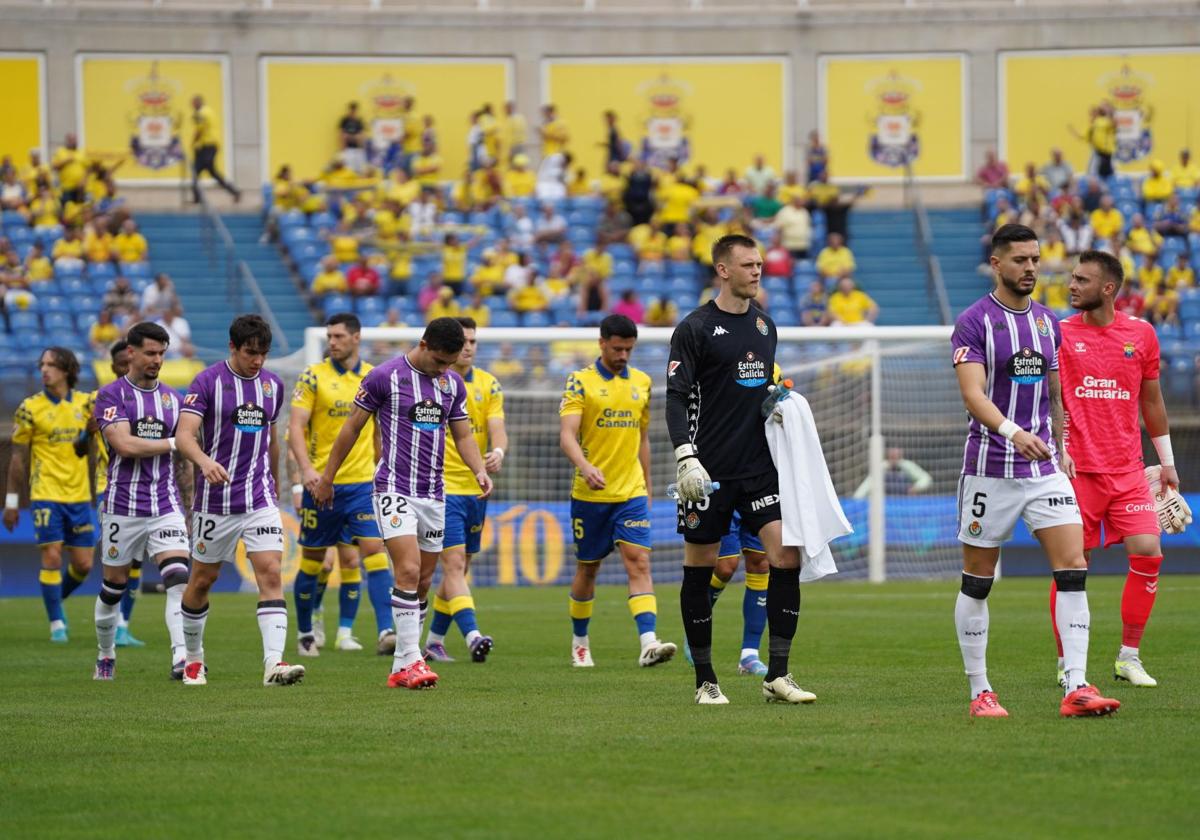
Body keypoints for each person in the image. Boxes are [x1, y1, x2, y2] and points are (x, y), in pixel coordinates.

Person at [950, 223, 1119, 718]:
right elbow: (972, 394)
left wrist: (1061, 446)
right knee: (978, 581)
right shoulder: (973, 322)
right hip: (990, 468)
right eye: (1020, 260)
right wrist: (1012, 432)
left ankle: (1078, 686)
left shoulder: (1049, 323)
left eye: (1035, 259)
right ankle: (980, 691)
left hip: (1044, 470)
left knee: (1073, 571)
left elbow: (1054, 393)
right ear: (997, 264)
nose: (1030, 268)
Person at [666, 234, 814, 706]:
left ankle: (779, 674)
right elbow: (674, 397)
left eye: (760, 265)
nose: (757, 272)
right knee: (701, 568)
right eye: (748, 265)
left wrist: (776, 402)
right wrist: (684, 455)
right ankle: (706, 680)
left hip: (758, 470)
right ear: (723, 270)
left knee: (785, 558)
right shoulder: (694, 328)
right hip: (707, 473)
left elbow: (759, 391)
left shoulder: (766, 327)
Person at [313, 318, 494, 690]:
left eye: (450, 363)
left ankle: (400, 665)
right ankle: (413, 660)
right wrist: (328, 476)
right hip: (393, 489)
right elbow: (351, 428)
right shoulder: (384, 377)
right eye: (441, 361)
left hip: (434, 494)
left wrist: (479, 470)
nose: (445, 369)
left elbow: (462, 433)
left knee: (424, 581)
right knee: (408, 571)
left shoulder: (452, 383)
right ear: (424, 345)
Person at [1056, 250, 1180, 689]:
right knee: (1073, 565)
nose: (1072, 286)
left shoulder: (1141, 334)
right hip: (1077, 471)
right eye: (1071, 278)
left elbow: (1151, 400)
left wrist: (1166, 464)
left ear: (1108, 289)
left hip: (1128, 469)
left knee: (1148, 551)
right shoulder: (1058, 333)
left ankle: (1129, 657)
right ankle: (1066, 661)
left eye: (1081, 280)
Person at [175, 315, 302, 687]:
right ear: (233, 347)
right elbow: (184, 435)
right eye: (251, 353)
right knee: (202, 580)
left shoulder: (272, 386)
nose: (258, 360)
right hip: (215, 502)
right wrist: (203, 461)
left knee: (271, 573)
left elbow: (272, 440)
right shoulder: (207, 382)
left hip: (259, 498)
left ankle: (273, 665)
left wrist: (276, 486)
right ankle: (194, 659)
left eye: (263, 353)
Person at [559, 314, 675, 669]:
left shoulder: (642, 382)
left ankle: (648, 642)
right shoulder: (580, 382)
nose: (623, 355)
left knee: (639, 562)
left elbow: (642, 439)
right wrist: (585, 466)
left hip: (631, 493)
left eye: (629, 349)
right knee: (588, 569)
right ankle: (580, 642)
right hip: (591, 496)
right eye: (617, 348)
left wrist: (648, 485)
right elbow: (567, 435)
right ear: (602, 343)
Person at [289, 314, 397, 658]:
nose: (331, 342)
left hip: (363, 485)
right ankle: (306, 632)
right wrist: (304, 473)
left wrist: (384, 473)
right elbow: (295, 428)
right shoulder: (312, 376)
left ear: (356, 338)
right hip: (321, 485)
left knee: (374, 554)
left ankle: (386, 631)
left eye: (338, 336)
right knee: (314, 561)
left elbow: (381, 431)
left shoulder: (373, 377)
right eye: (329, 336)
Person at [89, 322, 192, 680]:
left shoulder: (174, 400)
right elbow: (125, 445)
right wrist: (175, 443)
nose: (157, 360)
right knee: (113, 589)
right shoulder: (110, 396)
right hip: (122, 507)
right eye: (150, 352)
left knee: (179, 578)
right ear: (130, 353)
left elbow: (184, 461)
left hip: (165, 505)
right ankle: (106, 653)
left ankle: (182, 658)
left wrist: (189, 504)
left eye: (162, 353)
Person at [423, 317, 507, 663]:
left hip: (475, 489)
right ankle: (473, 635)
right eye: (464, 341)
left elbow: (497, 429)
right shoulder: (433, 383)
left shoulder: (488, 384)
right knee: (454, 564)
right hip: (442, 488)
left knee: (461, 567)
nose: (469, 347)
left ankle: (433, 641)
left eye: (473, 341)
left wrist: (498, 452)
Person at [3, 347, 97, 642]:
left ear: (67, 370)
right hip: (46, 493)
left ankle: (56, 601)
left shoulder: (86, 404)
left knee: (84, 565)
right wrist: (12, 501)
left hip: (80, 495)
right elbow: (18, 458)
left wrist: (88, 434)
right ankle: (56, 623)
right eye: (42, 365)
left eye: (51, 365)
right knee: (53, 556)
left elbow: (82, 450)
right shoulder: (30, 408)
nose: (45, 370)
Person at [191, 95, 240, 204]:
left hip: (207, 146)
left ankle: (197, 198)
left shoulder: (201, 113)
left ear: (197, 103)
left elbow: (199, 130)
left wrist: (193, 142)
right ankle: (234, 192)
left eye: (193, 103)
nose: (192, 106)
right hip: (211, 145)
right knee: (209, 172)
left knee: (198, 171)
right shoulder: (209, 111)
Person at [852, 447, 933, 499]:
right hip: (886, 502)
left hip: (905, 500)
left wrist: (915, 488)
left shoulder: (907, 466)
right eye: (892, 457)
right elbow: (867, 485)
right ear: (888, 457)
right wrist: (855, 500)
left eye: (896, 457)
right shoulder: (882, 467)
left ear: (900, 457)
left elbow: (926, 479)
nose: (894, 459)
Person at [338, 102, 366, 173]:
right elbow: (342, 135)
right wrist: (342, 149)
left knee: (359, 170)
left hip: (357, 149)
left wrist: (352, 137)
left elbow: (361, 135)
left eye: (354, 110)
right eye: (352, 110)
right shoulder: (345, 121)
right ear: (349, 110)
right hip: (347, 149)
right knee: (348, 170)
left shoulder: (359, 121)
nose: (353, 111)